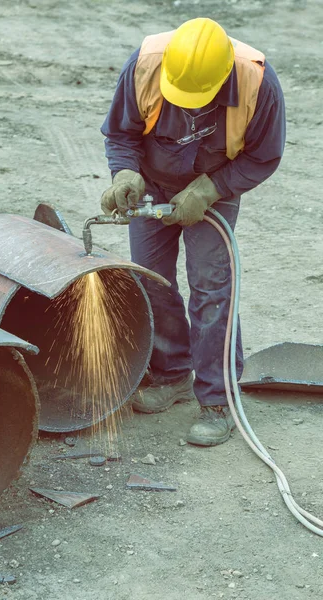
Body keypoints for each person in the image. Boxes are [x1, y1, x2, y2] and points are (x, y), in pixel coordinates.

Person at [100, 17, 285, 446]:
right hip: (153, 179)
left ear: (223, 78)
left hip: (214, 188)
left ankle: (218, 399)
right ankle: (171, 373)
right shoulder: (147, 64)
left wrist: (212, 188)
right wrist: (125, 172)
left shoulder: (258, 82)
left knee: (211, 286)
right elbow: (121, 132)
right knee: (150, 279)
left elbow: (264, 156)